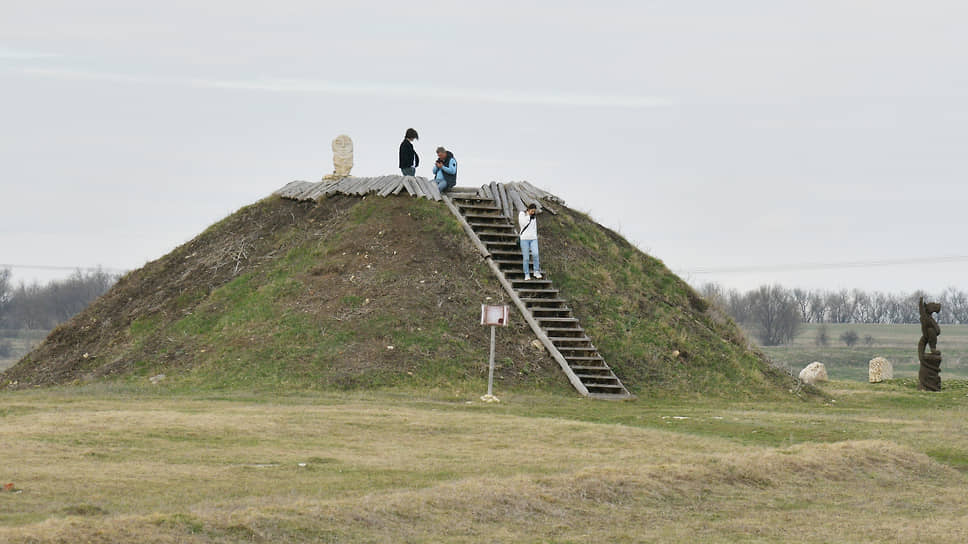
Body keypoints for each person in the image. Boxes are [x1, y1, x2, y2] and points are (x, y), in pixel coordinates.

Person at [518, 203, 542, 280]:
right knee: (526, 258)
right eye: (532, 211)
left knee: (535, 254)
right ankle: (527, 274)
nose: (533, 213)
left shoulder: (534, 217)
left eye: (534, 211)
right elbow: (523, 224)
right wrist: (528, 216)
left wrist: (535, 236)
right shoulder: (522, 214)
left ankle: (536, 271)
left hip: (533, 238)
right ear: (528, 209)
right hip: (524, 239)